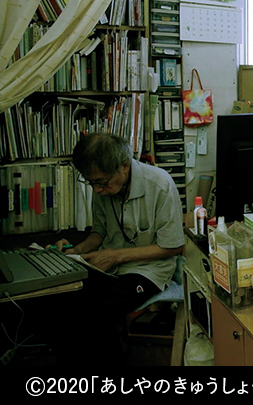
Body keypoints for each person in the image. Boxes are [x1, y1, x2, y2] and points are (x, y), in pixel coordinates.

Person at [49, 132, 184, 363]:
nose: (97, 190)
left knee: (99, 312)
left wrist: (114, 257)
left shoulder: (160, 184)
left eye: (102, 183)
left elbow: (171, 247)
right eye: (91, 183)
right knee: (64, 301)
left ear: (124, 166)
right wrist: (75, 251)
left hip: (149, 269)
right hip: (109, 266)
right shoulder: (102, 185)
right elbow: (99, 233)